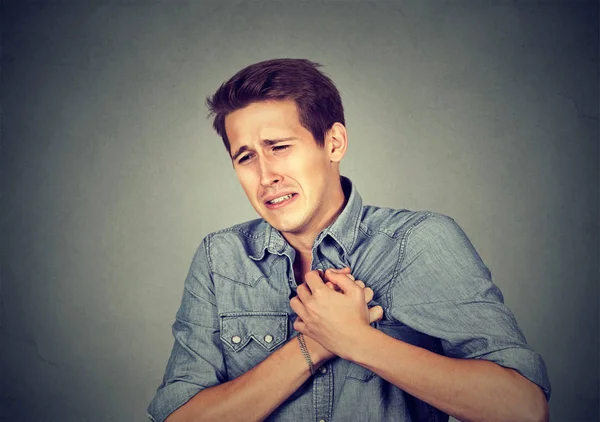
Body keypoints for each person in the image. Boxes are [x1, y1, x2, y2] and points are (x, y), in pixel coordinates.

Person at [147, 58, 550, 422]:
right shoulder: (221, 259)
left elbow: (523, 409)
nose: (265, 175)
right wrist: (314, 345)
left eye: (280, 147)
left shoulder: (417, 243)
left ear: (334, 143)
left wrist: (357, 341)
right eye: (246, 157)